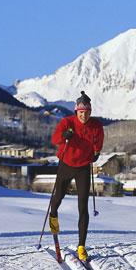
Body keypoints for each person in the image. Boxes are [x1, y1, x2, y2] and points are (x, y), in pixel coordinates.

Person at [50, 91, 104, 261]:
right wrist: (64, 136)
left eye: (87, 112)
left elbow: (99, 142)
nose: (84, 115)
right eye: (81, 112)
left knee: (83, 206)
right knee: (58, 197)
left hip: (83, 168)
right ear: (76, 112)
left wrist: (97, 152)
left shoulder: (96, 126)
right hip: (66, 164)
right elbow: (54, 139)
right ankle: (53, 216)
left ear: (90, 112)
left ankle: (81, 246)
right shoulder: (67, 122)